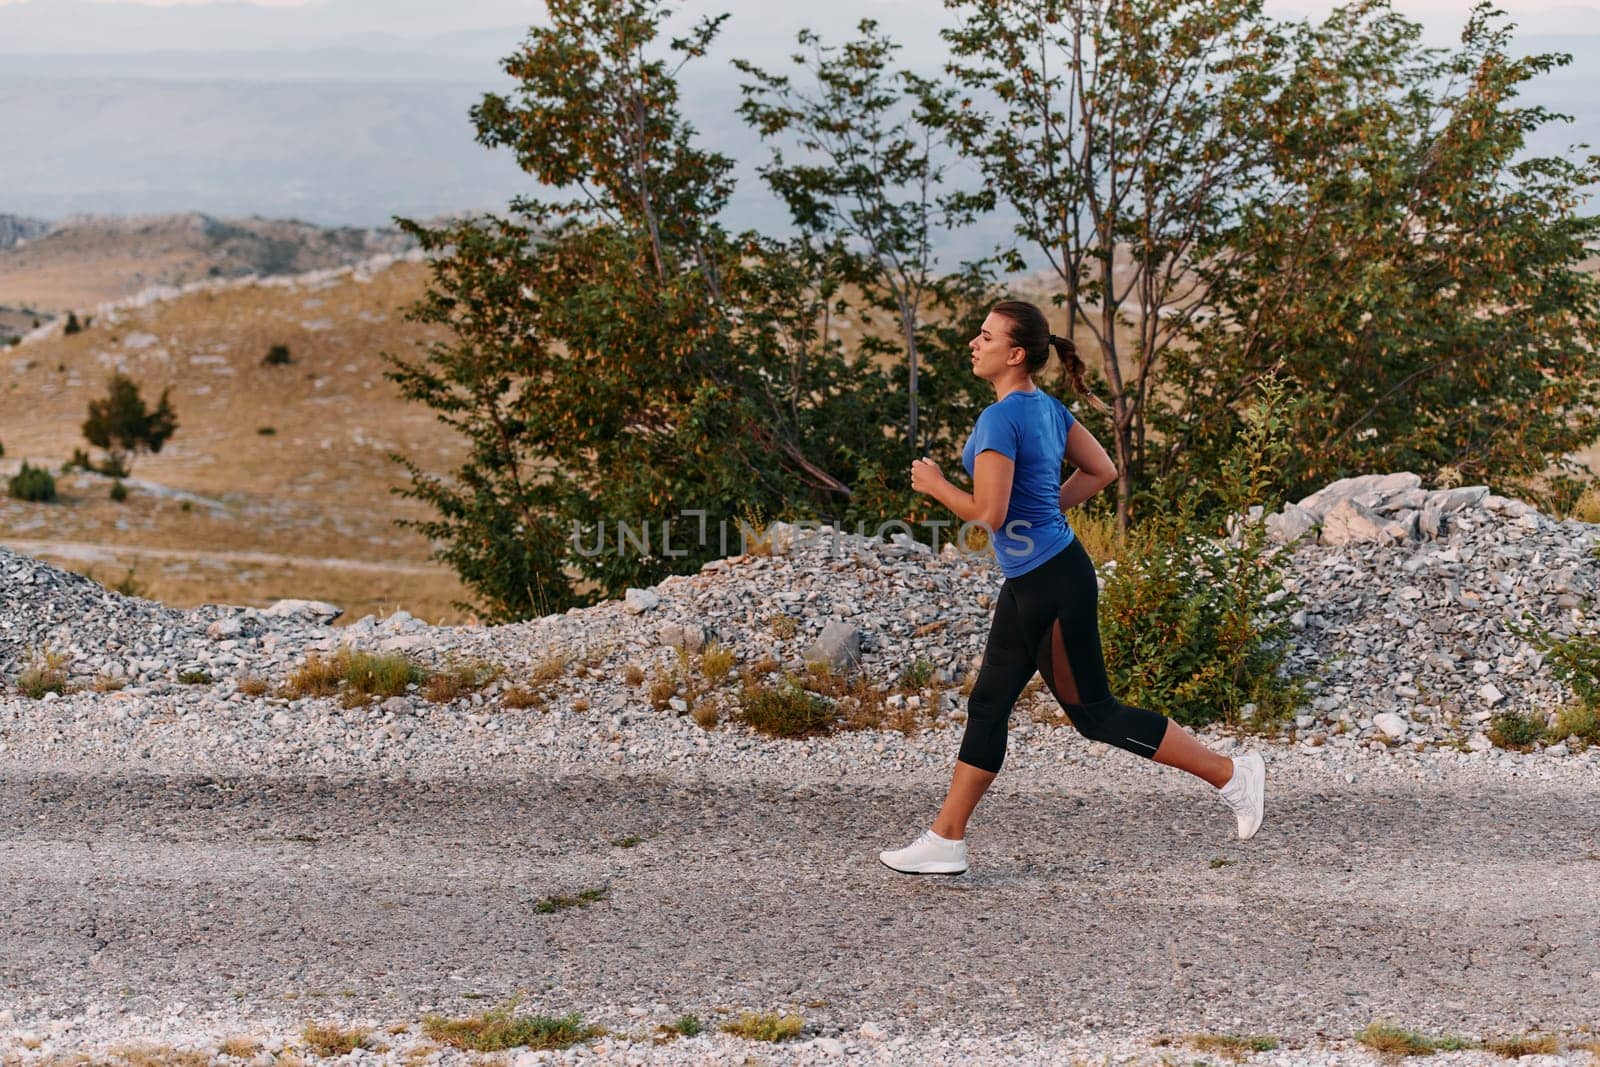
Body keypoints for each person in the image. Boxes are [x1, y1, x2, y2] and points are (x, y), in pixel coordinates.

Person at [878, 299, 1265, 876]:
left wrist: (934, 485)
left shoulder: (1001, 418)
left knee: (1095, 715)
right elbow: (1102, 471)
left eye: (985, 337)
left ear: (1014, 354)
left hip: (1050, 583)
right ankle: (947, 839)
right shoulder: (1047, 409)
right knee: (988, 704)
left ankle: (1232, 775)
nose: (973, 344)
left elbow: (987, 512)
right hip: (1041, 576)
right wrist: (1041, 514)